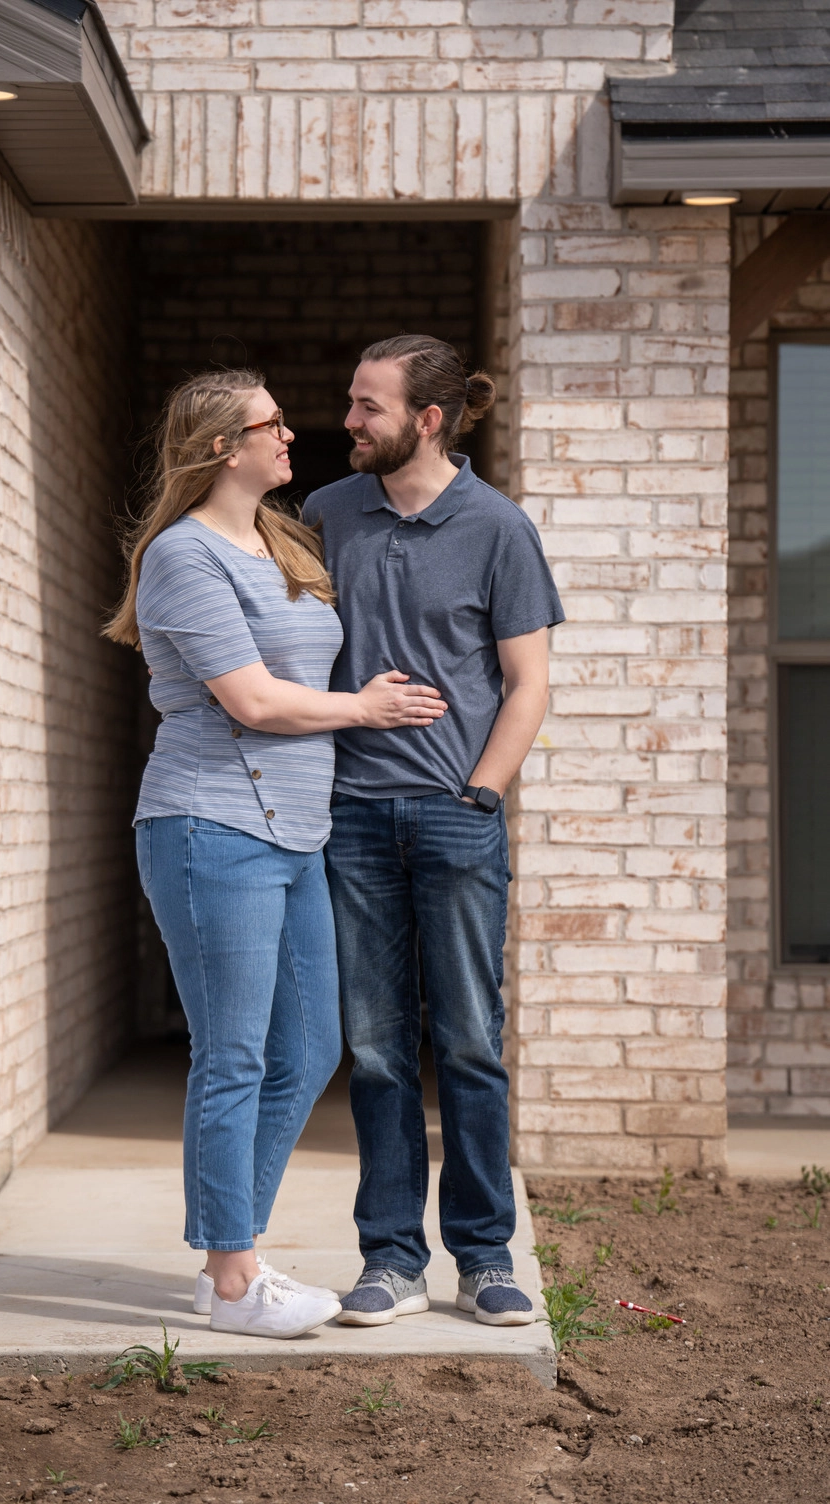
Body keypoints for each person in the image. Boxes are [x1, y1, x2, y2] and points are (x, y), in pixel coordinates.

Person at [104, 368, 446, 1340]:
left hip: (298, 833)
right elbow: (250, 700)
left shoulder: (281, 538)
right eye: (271, 424)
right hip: (212, 825)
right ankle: (230, 1277)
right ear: (223, 446)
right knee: (235, 1055)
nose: (291, 435)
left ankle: (230, 1255)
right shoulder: (184, 556)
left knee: (309, 1047)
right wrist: (364, 707)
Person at [302, 335, 565, 1328]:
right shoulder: (327, 514)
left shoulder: (497, 527)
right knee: (373, 1048)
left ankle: (487, 1258)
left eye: (367, 405)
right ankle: (391, 1259)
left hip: (456, 821)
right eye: (350, 399)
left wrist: (480, 794)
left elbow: (527, 683)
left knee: (466, 1045)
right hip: (353, 819)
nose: (348, 419)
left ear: (426, 419)